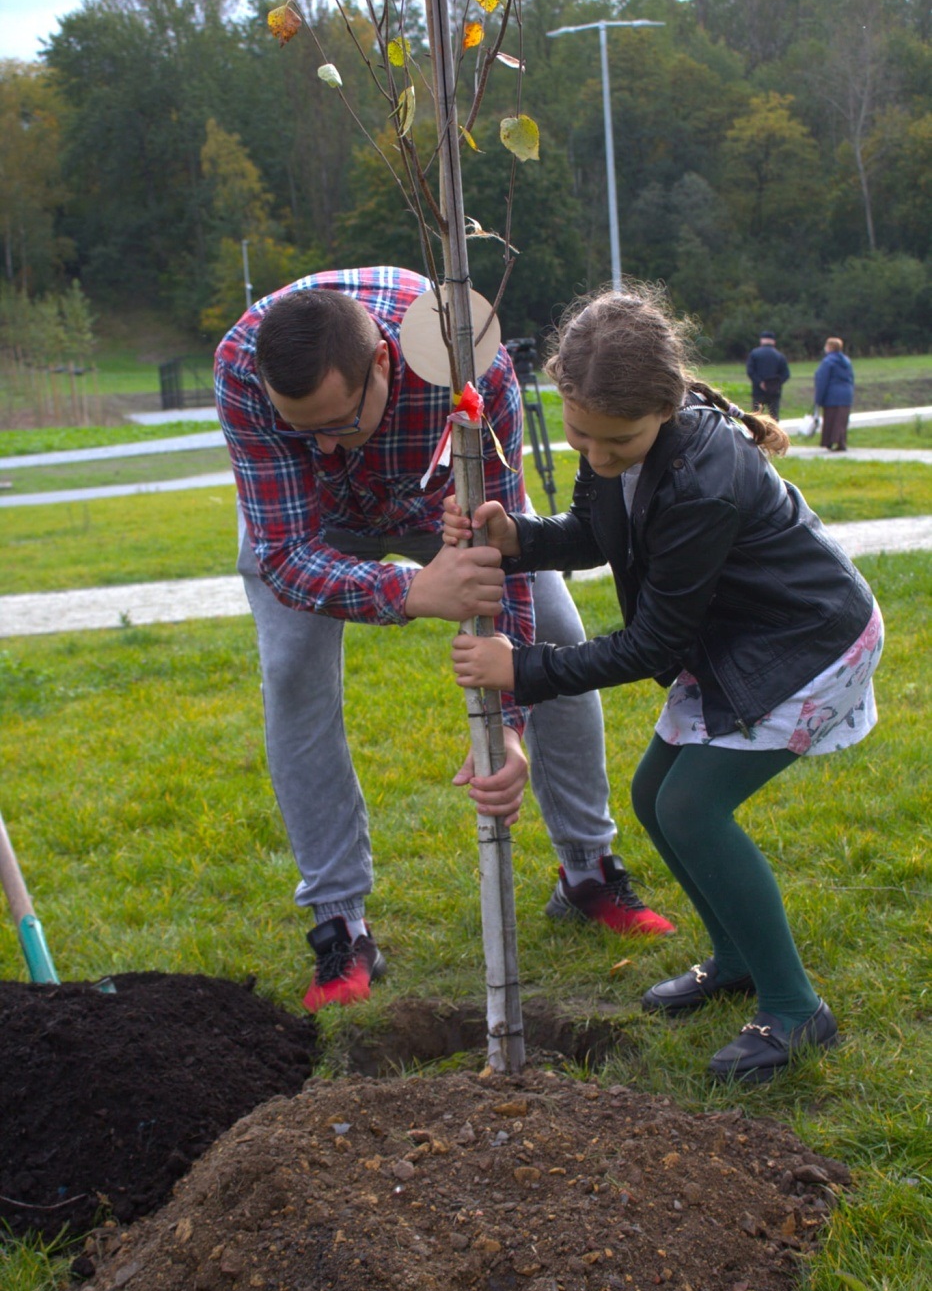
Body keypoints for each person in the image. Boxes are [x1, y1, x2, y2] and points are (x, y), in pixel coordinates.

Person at [442, 284, 883, 1084]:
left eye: (621, 442)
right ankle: (738, 960)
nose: (600, 456)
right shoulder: (610, 448)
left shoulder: (706, 480)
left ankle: (794, 1008)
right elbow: (589, 532)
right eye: (583, 435)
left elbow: (654, 643)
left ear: (668, 408)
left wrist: (527, 671)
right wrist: (515, 540)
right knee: (654, 796)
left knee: (692, 806)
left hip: (807, 640)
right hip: (736, 636)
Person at [214, 268, 675, 1013]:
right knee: (293, 671)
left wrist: (512, 721)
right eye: (305, 432)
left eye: (338, 423)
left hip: (445, 500)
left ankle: (586, 869)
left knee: (556, 633)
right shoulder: (242, 367)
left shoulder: (467, 352)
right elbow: (285, 557)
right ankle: (340, 922)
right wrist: (406, 592)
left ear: (385, 366)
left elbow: (511, 547)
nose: (324, 449)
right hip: (312, 526)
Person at [814, 336, 855, 452]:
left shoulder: (827, 362)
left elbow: (822, 380)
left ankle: (830, 441)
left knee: (831, 419)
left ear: (829, 347)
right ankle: (841, 442)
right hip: (846, 394)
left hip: (832, 395)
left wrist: (818, 399)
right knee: (841, 420)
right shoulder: (846, 361)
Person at [746, 330, 790, 419]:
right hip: (774, 391)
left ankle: (756, 433)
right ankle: (773, 433)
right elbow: (786, 374)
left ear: (761, 340)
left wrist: (760, 383)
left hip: (758, 391)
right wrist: (775, 384)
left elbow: (750, 371)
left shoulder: (754, 354)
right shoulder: (779, 356)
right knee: (774, 417)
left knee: (756, 417)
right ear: (773, 341)